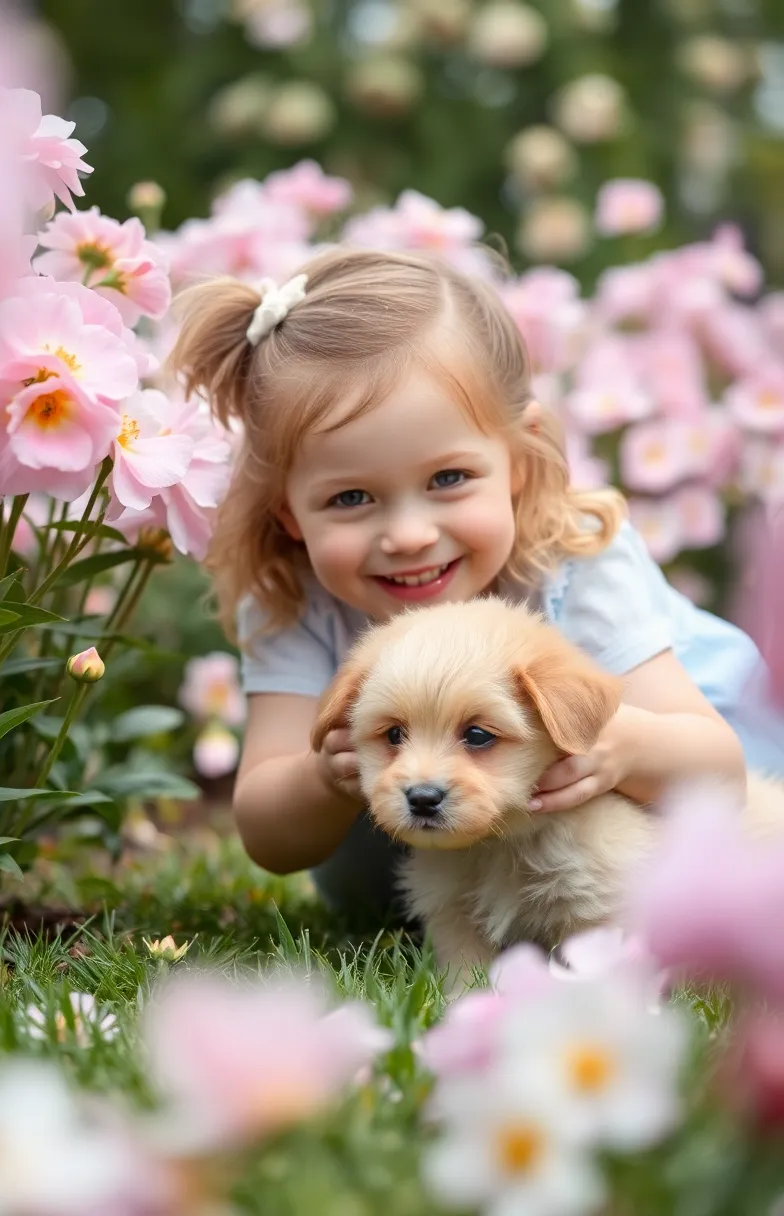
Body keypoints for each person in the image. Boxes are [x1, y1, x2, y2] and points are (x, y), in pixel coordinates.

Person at [170, 246, 780, 923]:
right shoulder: (295, 594)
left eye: (448, 480)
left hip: (684, 764)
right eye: (350, 498)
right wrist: (325, 777)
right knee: (368, 887)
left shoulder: (575, 559)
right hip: (450, 810)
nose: (408, 534)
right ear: (288, 509)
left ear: (519, 458)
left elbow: (719, 777)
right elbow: (269, 834)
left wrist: (621, 746)